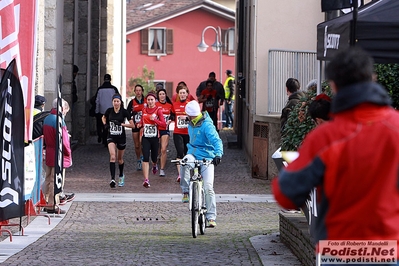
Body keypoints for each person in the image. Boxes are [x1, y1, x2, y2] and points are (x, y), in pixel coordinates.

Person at [273, 47, 399, 265]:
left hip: (339, 247)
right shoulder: (396, 128)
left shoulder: (326, 138)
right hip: (387, 247)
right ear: (373, 78)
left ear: (333, 86)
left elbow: (287, 192)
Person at [180, 100, 223, 228]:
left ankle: (211, 217)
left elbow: (217, 141)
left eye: (187, 114)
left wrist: (218, 155)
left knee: (208, 187)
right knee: (184, 163)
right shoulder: (190, 124)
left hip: (207, 157)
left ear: (191, 115)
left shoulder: (207, 126)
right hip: (193, 154)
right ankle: (186, 191)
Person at [42, 98, 72, 214]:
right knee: (57, 180)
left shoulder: (47, 118)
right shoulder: (59, 121)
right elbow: (64, 141)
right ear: (63, 108)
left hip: (49, 151)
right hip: (58, 153)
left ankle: (47, 201)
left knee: (48, 179)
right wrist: (68, 152)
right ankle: (53, 204)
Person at [103, 93, 134, 188]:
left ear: (120, 102)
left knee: (120, 159)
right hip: (111, 136)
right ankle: (112, 179)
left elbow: (132, 125)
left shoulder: (124, 112)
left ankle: (121, 175)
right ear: (112, 102)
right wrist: (105, 124)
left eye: (117, 101)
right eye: (114, 101)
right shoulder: (109, 111)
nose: (116, 103)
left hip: (121, 137)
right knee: (113, 156)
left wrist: (121, 124)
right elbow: (103, 117)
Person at [136, 92, 166, 188]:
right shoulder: (144, 110)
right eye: (148, 100)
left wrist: (155, 120)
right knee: (145, 157)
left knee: (154, 157)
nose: (150, 101)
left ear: (155, 100)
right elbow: (142, 121)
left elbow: (164, 124)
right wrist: (139, 124)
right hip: (146, 137)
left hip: (154, 137)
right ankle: (146, 180)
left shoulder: (158, 110)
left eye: (152, 100)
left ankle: (154, 164)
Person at [172, 84, 191, 182]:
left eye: (184, 93)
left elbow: (195, 118)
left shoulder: (190, 105)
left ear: (187, 94)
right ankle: (180, 175)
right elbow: (171, 116)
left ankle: (186, 173)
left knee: (188, 153)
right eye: (180, 93)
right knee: (179, 152)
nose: (182, 95)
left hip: (188, 133)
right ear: (178, 95)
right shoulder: (175, 105)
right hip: (178, 132)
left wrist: (187, 118)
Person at [95, 74, 119, 146]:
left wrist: (97, 111)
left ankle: (101, 136)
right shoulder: (114, 89)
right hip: (111, 111)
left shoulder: (100, 89)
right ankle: (108, 139)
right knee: (110, 125)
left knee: (101, 125)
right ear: (110, 79)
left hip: (102, 110)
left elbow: (97, 101)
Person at [156, 87, 175, 177]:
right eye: (160, 94)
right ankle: (156, 161)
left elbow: (174, 115)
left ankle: (162, 169)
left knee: (164, 148)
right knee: (157, 149)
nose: (162, 96)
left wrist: (170, 120)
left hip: (165, 129)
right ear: (158, 96)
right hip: (155, 129)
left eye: (163, 94)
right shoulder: (155, 104)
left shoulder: (169, 105)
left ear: (165, 95)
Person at [127, 84, 146, 171]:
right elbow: (127, 114)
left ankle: (143, 158)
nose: (138, 92)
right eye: (136, 90)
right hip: (135, 125)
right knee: (137, 145)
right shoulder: (132, 102)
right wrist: (131, 118)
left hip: (144, 125)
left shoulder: (146, 101)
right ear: (134, 92)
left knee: (141, 142)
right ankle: (138, 159)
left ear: (142, 91)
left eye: (140, 90)